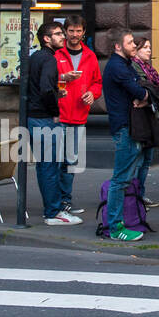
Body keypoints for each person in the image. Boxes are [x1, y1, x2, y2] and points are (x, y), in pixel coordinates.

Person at [101, 28, 155, 241]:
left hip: (130, 126)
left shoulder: (124, 65)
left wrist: (145, 94)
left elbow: (145, 88)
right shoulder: (118, 67)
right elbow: (141, 91)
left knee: (127, 177)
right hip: (125, 127)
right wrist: (144, 95)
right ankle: (115, 227)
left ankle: (127, 219)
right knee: (121, 179)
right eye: (131, 42)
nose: (135, 45)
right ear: (118, 46)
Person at [27, 23, 78, 226]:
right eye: (57, 34)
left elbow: (39, 86)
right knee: (51, 166)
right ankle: (54, 212)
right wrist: (56, 112)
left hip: (33, 117)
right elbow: (46, 90)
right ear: (46, 39)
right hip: (45, 119)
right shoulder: (50, 59)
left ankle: (51, 209)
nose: (63, 36)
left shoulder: (35, 58)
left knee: (44, 166)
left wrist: (57, 92)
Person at [54, 14, 100, 220]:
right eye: (71, 31)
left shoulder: (90, 55)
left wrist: (93, 93)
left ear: (84, 32)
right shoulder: (56, 54)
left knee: (70, 162)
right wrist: (62, 78)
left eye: (78, 31)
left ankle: (65, 201)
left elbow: (97, 82)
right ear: (66, 32)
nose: (75, 34)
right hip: (58, 115)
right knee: (56, 161)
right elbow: (46, 79)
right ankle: (57, 204)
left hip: (79, 115)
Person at [131, 37, 159, 208]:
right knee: (138, 161)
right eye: (145, 48)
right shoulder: (134, 68)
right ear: (135, 50)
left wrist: (151, 99)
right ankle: (134, 197)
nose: (149, 51)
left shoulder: (149, 69)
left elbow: (155, 94)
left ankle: (140, 195)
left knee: (146, 161)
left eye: (149, 47)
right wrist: (150, 98)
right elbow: (142, 93)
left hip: (151, 116)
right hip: (140, 120)